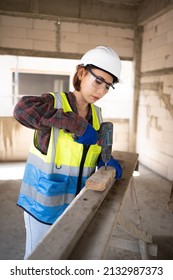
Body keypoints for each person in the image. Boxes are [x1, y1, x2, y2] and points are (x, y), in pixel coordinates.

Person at [13, 46, 123, 259]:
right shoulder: (53, 102)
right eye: (98, 81)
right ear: (81, 73)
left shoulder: (97, 113)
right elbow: (21, 109)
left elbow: (92, 147)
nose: (101, 91)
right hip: (43, 204)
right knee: (38, 262)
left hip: (77, 203)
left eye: (107, 87)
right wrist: (77, 125)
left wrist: (103, 157)